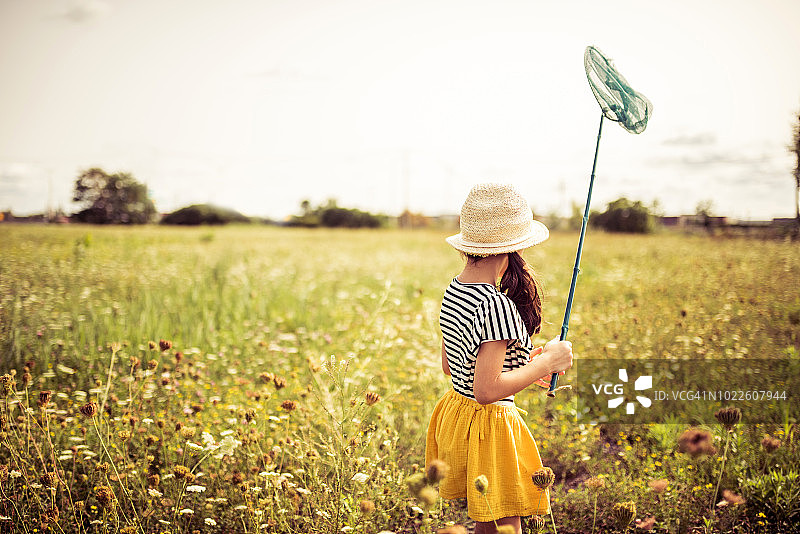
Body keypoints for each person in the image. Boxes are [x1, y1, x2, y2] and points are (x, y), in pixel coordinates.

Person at [425, 183, 574, 534]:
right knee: (506, 519)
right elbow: (488, 390)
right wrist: (546, 364)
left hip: (458, 414)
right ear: (516, 245)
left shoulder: (455, 289)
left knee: (488, 517)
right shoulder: (497, 305)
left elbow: (453, 365)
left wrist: (522, 365)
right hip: (490, 426)